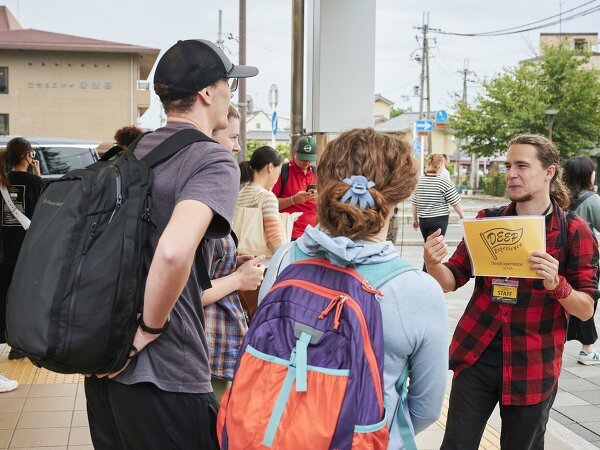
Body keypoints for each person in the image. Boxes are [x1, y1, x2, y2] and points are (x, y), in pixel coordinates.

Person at [84, 39, 258, 450]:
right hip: (167, 373)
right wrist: (147, 330)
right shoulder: (210, 159)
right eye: (228, 85)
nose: (230, 95)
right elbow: (173, 250)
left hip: (104, 370)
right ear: (206, 93)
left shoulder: (134, 153)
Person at [259, 128, 449, 448]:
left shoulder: (285, 260)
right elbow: (425, 408)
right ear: (400, 195)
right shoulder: (418, 290)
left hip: (283, 435)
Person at [424, 134, 599, 450]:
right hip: (478, 352)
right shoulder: (487, 221)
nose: (511, 174)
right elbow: (452, 279)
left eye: (521, 165)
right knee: (455, 444)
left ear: (549, 172)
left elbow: (586, 309)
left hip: (533, 362)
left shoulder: (574, 231)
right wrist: (433, 264)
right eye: (508, 166)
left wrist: (556, 285)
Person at [204, 104, 264, 400]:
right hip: (206, 342)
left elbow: (204, 266)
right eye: (232, 137)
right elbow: (191, 289)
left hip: (214, 341)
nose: (238, 146)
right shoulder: (201, 191)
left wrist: (235, 263)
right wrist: (239, 280)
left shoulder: (212, 187)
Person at [0, 137, 43, 387]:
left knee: (4, 297)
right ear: (28, 155)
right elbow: (43, 212)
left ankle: (8, 342)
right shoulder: (34, 182)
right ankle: (22, 345)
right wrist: (38, 175)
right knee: (26, 298)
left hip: (4, 251)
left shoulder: (3, 182)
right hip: (28, 251)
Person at [563, 156, 600, 364]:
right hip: (583, 261)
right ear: (588, 174)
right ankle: (587, 350)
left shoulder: (558, 196)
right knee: (586, 300)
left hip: (558, 259)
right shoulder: (592, 199)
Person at [412, 154, 464, 269]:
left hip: (423, 221)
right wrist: (462, 217)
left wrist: (415, 219)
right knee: (434, 252)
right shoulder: (443, 182)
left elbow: (414, 203)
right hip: (439, 220)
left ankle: (427, 276)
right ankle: (430, 278)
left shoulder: (419, 182)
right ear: (440, 164)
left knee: (429, 249)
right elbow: (455, 202)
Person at [236, 146, 284, 257]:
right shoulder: (267, 197)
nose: (278, 177)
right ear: (270, 167)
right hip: (259, 264)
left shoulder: (241, 193)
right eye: (279, 171)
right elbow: (274, 240)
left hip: (238, 259)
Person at [274, 136, 318, 240]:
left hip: (313, 235)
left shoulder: (316, 173)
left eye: (310, 159)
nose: (307, 163)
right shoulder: (282, 172)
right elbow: (269, 205)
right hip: (288, 235)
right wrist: (293, 200)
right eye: (303, 158)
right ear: (294, 152)